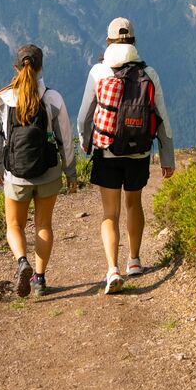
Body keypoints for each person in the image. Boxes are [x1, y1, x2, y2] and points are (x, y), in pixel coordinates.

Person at [76, 17, 175, 295]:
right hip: (140, 151)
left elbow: (84, 115)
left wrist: (85, 143)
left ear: (108, 42)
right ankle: (134, 260)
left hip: (107, 151)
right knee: (134, 204)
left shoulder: (99, 71)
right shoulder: (149, 73)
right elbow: (162, 117)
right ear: (133, 41)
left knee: (110, 213)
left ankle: (112, 269)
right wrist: (168, 158)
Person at [0, 44, 77, 297]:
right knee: (43, 225)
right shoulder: (52, 98)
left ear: (16, 68)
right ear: (40, 68)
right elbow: (65, 140)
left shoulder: (1, 99)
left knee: (14, 225)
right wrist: (70, 172)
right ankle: (39, 279)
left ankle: (21, 262)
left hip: (16, 174)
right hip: (47, 172)